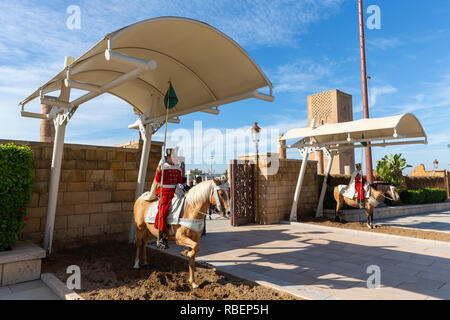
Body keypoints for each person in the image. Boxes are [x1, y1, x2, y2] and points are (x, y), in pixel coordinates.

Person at [154, 148, 182, 249]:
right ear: (168, 157)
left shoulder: (178, 168)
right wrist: (159, 167)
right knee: (163, 211)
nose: (175, 158)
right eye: (173, 157)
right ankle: (161, 237)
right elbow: (157, 179)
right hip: (164, 192)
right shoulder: (163, 167)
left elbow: (179, 180)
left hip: (175, 191)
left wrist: (181, 186)